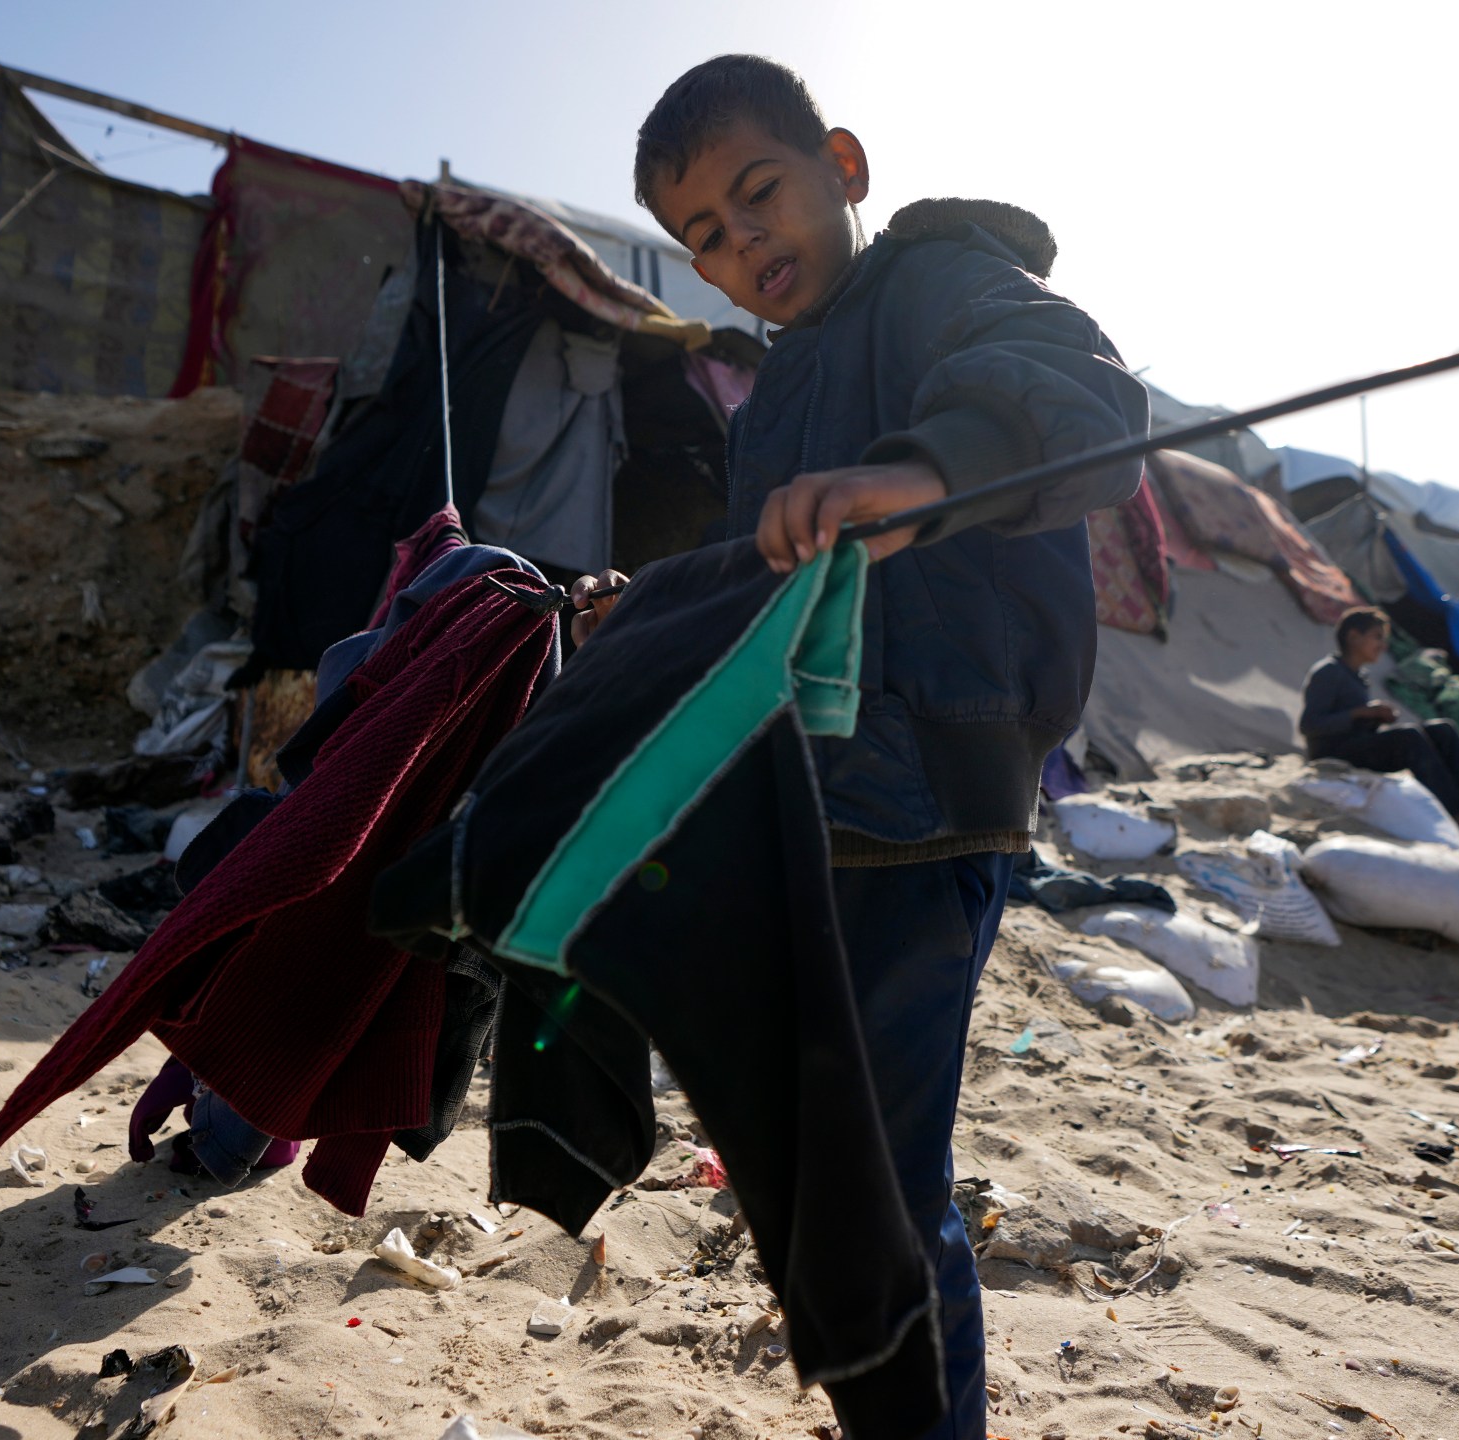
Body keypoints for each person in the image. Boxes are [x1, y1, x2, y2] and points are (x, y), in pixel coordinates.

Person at [585, 55, 1150, 1438]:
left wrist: (930, 473)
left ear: (841, 163)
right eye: (704, 236)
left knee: (881, 1196)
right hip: (810, 796)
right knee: (829, 1174)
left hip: (934, 793)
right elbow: (753, 584)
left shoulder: (945, 283)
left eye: (758, 195)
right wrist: (646, 606)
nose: (740, 246)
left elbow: (1077, 394)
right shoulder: (774, 396)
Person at [1298, 607, 1459, 841]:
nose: (1383, 646)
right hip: (1333, 753)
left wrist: (1374, 716)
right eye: (1377, 637)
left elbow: (1352, 720)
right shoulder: (1328, 672)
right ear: (1353, 636)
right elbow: (1310, 725)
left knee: (1442, 730)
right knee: (1409, 737)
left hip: (1356, 744)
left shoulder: (1358, 676)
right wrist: (1362, 712)